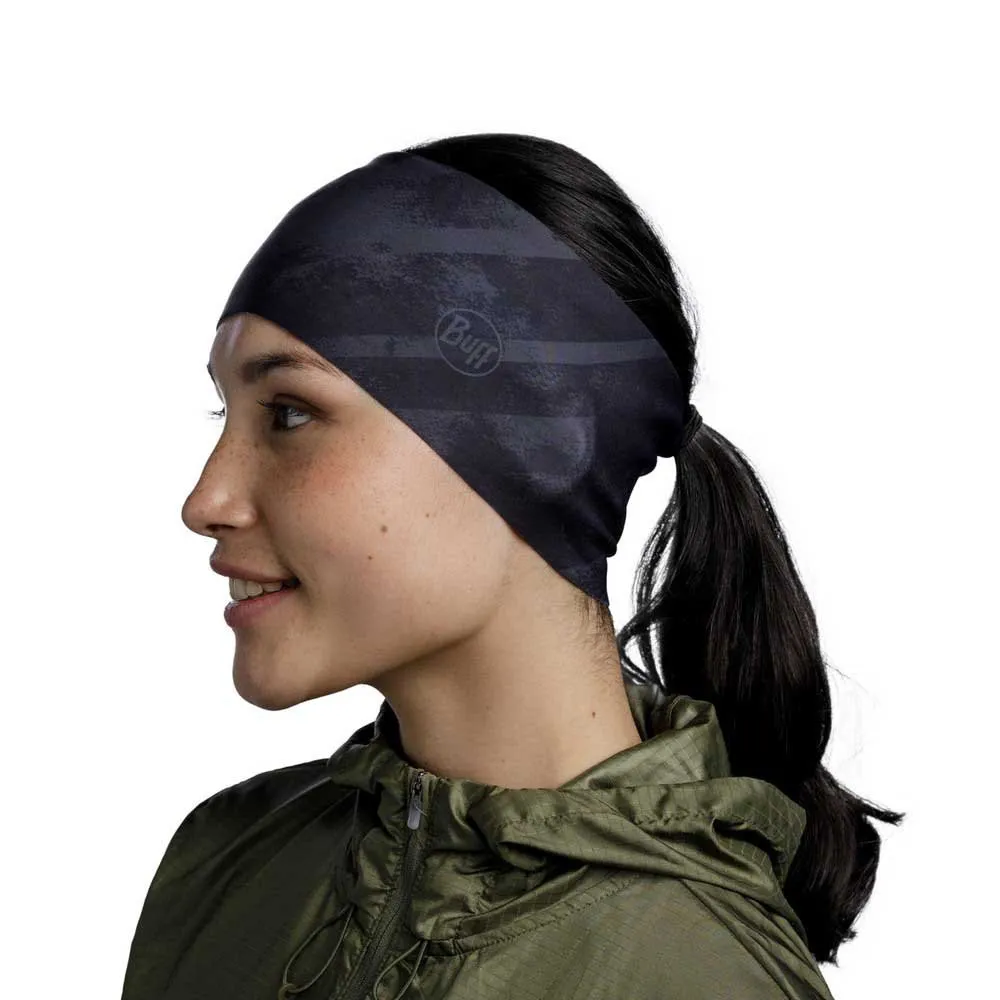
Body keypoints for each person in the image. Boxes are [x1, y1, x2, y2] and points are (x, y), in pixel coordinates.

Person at [120, 133, 903, 1000]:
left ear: (537, 446)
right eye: (224, 413)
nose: (207, 499)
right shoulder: (225, 863)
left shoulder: (699, 976)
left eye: (291, 413)